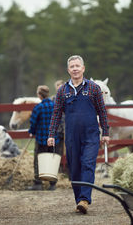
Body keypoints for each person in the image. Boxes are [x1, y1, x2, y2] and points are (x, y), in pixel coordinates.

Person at [47, 55, 109, 214]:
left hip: (91, 135)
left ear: (83, 68)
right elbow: (56, 114)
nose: (75, 68)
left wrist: (106, 132)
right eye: (72, 66)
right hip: (71, 136)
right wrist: (51, 134)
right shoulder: (63, 91)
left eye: (77, 66)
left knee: (88, 164)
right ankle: (79, 201)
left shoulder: (93, 88)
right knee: (74, 169)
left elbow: (102, 111)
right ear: (68, 70)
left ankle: (84, 199)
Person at [27, 85, 60, 191]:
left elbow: (33, 122)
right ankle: (52, 184)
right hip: (54, 138)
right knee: (52, 159)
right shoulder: (55, 106)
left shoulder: (38, 107)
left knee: (38, 160)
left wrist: (31, 132)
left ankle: (38, 183)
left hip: (41, 138)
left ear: (40, 95)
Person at [51, 80, 65, 158]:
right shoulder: (53, 99)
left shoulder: (68, 97)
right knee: (58, 148)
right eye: (58, 87)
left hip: (67, 127)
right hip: (58, 127)